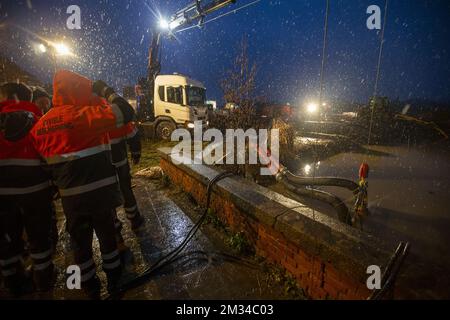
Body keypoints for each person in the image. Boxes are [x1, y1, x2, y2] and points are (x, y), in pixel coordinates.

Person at [29, 70, 136, 298]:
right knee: (107, 239)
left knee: (80, 244)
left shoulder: (41, 126)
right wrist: (106, 91)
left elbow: (42, 162)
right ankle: (115, 279)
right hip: (101, 196)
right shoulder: (87, 115)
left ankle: (86, 286)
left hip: (72, 200)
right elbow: (127, 112)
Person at [0, 83, 55, 295]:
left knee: (8, 238)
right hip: (35, 191)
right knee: (39, 237)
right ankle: (43, 280)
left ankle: (13, 281)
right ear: (28, 98)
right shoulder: (37, 122)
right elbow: (48, 157)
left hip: (2, 196)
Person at [108, 121, 144, 234]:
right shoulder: (114, 114)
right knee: (126, 190)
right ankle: (135, 221)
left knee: (106, 196)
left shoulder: (86, 117)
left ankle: (115, 229)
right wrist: (136, 153)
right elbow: (133, 135)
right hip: (120, 162)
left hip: (102, 167)